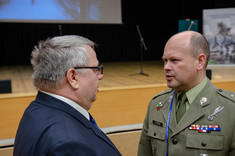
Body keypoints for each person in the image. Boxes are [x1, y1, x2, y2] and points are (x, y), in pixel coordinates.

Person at [14, 35, 122, 156]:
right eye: (95, 69)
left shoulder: (34, 111)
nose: (100, 76)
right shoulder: (69, 144)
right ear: (73, 77)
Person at [138, 31, 235, 156]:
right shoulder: (156, 104)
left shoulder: (230, 108)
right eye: (165, 61)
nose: (166, 67)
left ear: (200, 61)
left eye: (174, 60)